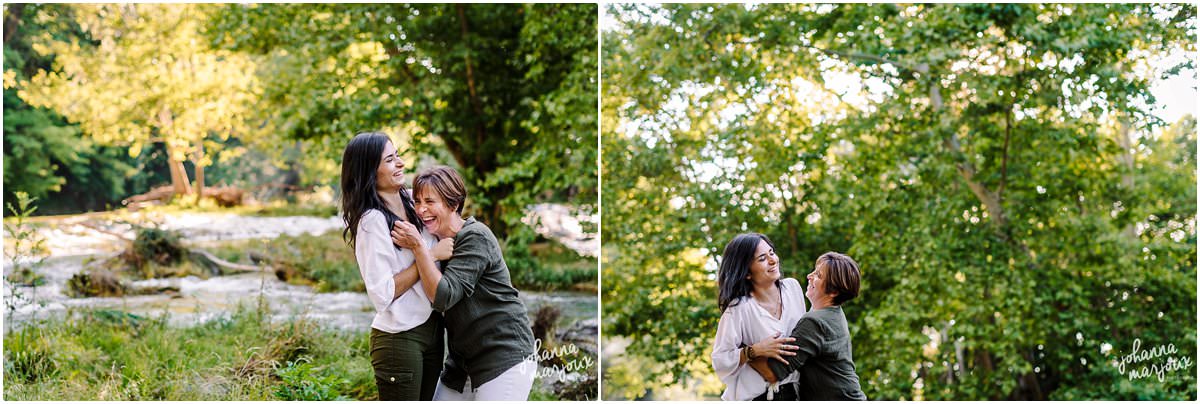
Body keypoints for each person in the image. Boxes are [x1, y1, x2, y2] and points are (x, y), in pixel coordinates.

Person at [391, 165, 537, 401]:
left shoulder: (475, 236)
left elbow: (442, 297)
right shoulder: (434, 240)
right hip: (461, 364)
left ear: (454, 204)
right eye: (417, 201)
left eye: (430, 201)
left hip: (504, 356)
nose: (421, 209)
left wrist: (419, 248)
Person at [340, 132, 453, 401]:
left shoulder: (414, 201)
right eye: (390, 159)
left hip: (434, 329)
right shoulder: (372, 222)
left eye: (397, 155)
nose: (400, 163)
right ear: (370, 170)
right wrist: (429, 254)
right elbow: (382, 293)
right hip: (399, 338)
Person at [752, 252, 866, 401]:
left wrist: (745, 352)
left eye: (818, 275)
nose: (809, 276)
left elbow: (772, 373)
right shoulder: (834, 313)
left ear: (834, 291)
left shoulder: (815, 321)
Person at [712, 233, 808, 400]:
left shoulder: (792, 288)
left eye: (772, 253)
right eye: (762, 258)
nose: (773, 260)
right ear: (747, 272)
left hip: (794, 393)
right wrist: (754, 351)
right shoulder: (739, 308)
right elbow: (720, 360)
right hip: (755, 397)